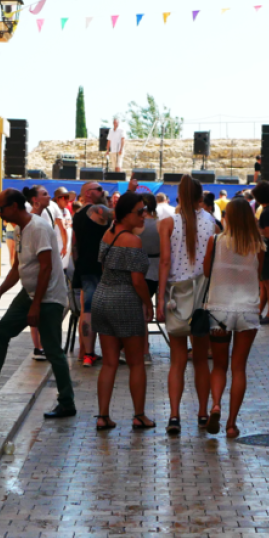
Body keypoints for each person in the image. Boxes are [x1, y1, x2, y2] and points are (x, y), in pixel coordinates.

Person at [0, 189, 77, 420]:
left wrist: (36, 305)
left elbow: (47, 267)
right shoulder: (20, 229)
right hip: (29, 294)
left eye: (1, 208)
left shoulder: (38, 228)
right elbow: (16, 268)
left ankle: (67, 402)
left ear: (14, 207)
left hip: (48, 297)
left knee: (52, 350)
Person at [91, 193, 155, 430]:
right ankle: (139, 415)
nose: (144, 215)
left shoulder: (108, 234)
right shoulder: (132, 241)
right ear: (126, 214)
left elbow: (102, 266)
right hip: (125, 300)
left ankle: (103, 416)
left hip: (102, 297)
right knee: (136, 362)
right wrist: (148, 303)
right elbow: (138, 281)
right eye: (140, 211)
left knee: (109, 363)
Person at [158, 176, 216, 434]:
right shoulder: (210, 221)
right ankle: (203, 413)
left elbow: (164, 262)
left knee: (177, 360)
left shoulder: (167, 223)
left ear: (179, 196)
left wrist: (159, 297)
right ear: (200, 196)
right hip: (204, 293)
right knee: (202, 359)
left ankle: (174, 416)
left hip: (176, 293)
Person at [203, 198, 264, 439]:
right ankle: (231, 424)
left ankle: (215, 404)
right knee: (239, 368)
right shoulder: (258, 245)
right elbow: (258, 276)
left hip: (219, 310)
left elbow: (207, 272)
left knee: (219, 365)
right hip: (247, 310)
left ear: (227, 217)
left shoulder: (215, 241)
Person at [72, 182, 109, 366]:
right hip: (100, 268)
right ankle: (93, 353)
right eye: (99, 190)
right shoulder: (97, 210)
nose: (103, 193)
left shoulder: (77, 215)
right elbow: (122, 217)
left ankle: (85, 353)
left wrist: (77, 266)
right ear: (88, 194)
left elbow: (74, 245)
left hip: (85, 268)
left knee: (86, 309)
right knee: (101, 310)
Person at [24, 186, 56, 361]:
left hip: (46, 272)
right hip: (36, 272)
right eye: (44, 194)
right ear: (35, 200)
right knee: (35, 308)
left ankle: (42, 345)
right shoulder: (32, 220)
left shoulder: (48, 213)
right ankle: (38, 346)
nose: (48, 195)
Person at [249, 182, 269, 325]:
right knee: (264, 283)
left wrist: (255, 229)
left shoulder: (267, 212)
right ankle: (261, 311)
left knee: (268, 282)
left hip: (267, 251)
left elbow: (268, 233)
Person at [139, 194, 162, 366]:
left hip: (139, 271)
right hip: (157, 270)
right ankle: (144, 350)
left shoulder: (136, 227)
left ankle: (144, 350)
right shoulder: (162, 225)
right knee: (146, 309)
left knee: (141, 311)